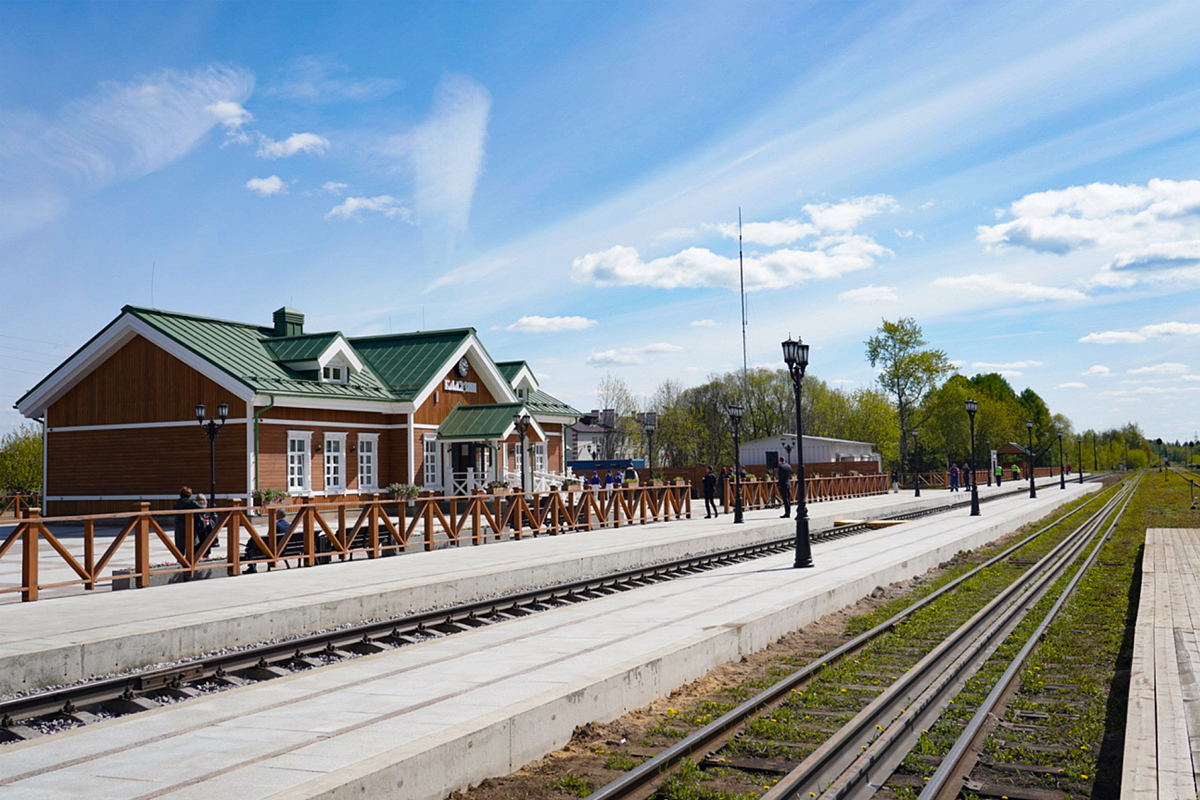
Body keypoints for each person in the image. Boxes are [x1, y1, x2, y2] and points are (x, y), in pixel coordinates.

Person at [173, 486, 200, 554]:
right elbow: (202, 509)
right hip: (190, 526)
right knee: (194, 546)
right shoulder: (191, 503)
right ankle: (191, 562)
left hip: (179, 527)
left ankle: (181, 562)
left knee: (180, 548)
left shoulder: (176, 503)